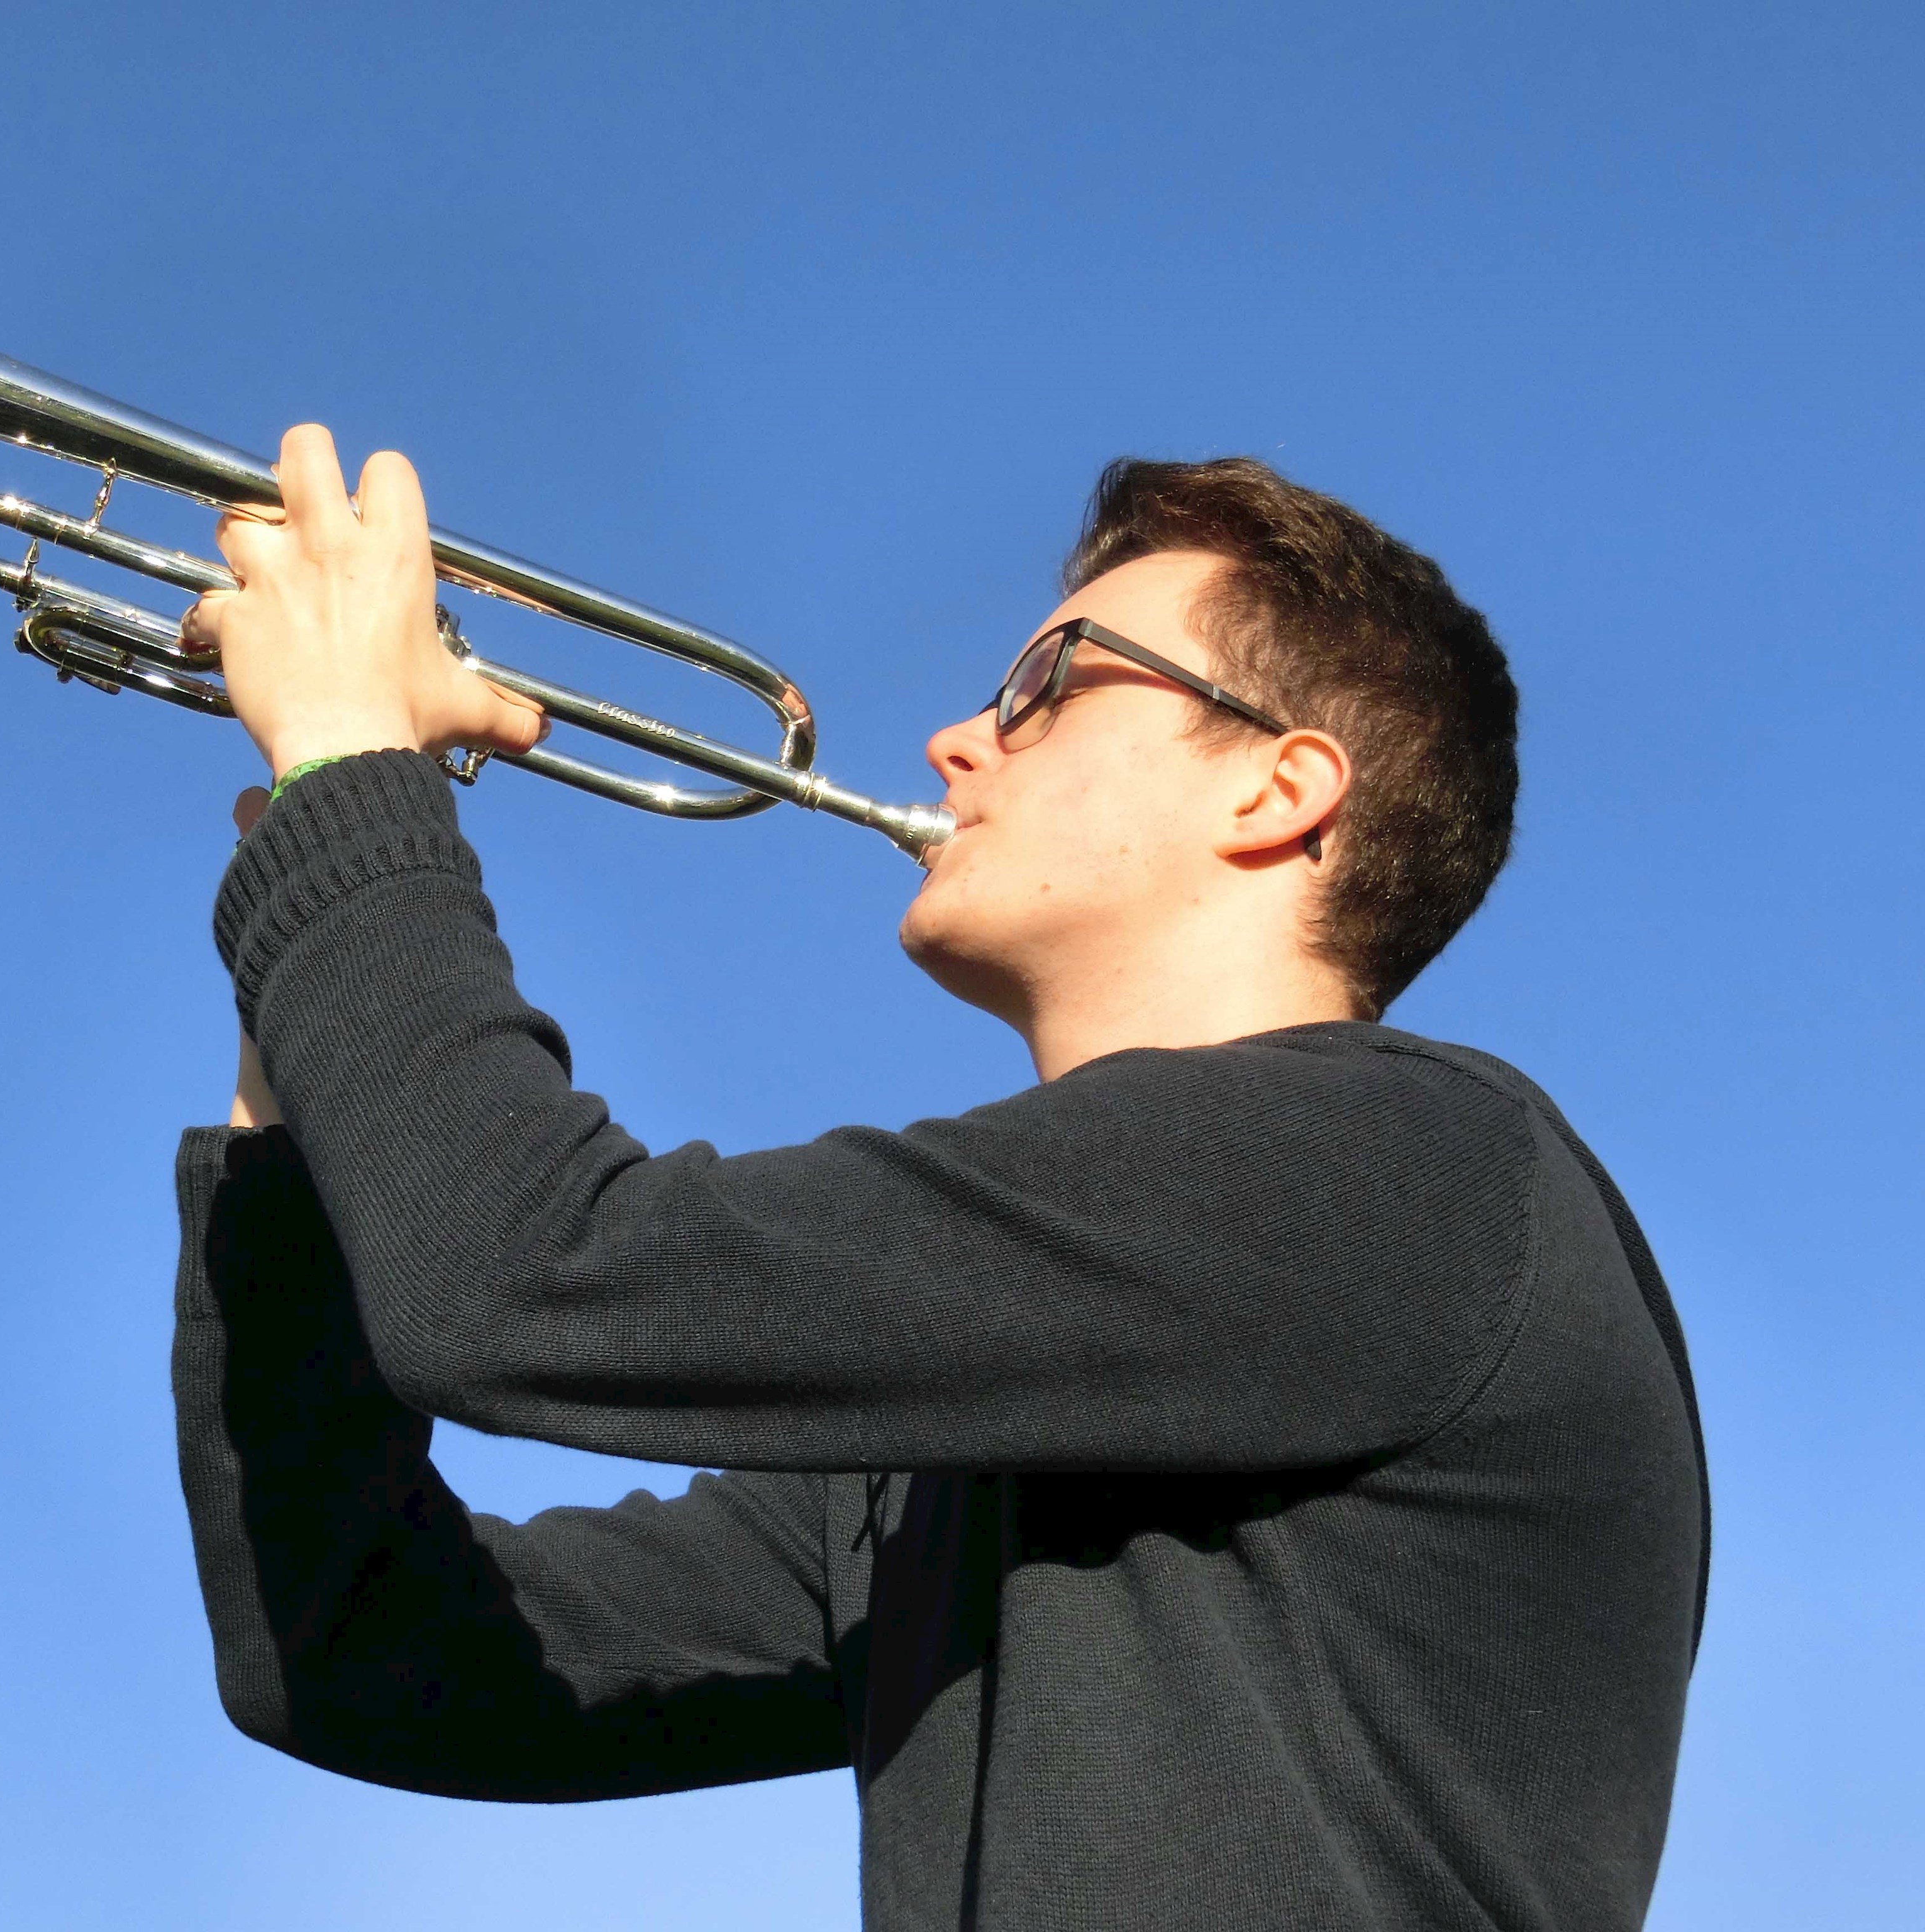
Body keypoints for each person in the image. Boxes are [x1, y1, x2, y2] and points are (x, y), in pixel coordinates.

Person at [167, 432, 1706, 1931]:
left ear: (1275, 789)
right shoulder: (988, 1432)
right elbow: (369, 1654)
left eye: (1047, 685)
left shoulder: (1401, 1169)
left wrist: (355, 776)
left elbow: (522, 1280)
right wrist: (300, 1060)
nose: (957, 739)